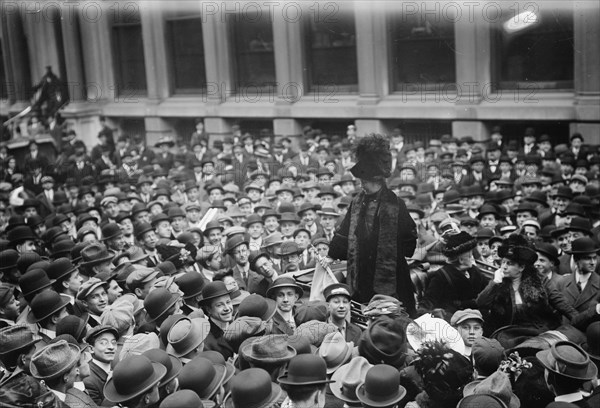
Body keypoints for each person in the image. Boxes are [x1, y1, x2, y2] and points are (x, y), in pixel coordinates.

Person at [329, 134, 417, 316]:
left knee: (392, 312)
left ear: (377, 180)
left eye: (365, 182)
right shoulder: (356, 201)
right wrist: (331, 255)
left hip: (390, 273)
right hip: (360, 270)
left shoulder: (395, 203)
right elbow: (345, 231)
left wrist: (396, 251)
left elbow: (409, 238)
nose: (362, 185)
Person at [477, 234, 579, 336]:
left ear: (521, 267)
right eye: (503, 262)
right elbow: (481, 303)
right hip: (507, 334)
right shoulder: (497, 283)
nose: (504, 267)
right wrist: (495, 283)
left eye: (509, 263)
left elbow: (562, 304)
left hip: (539, 333)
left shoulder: (540, 282)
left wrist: (580, 322)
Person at [420, 231, 488, 317]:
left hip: (478, 317)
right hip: (454, 320)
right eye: (470, 255)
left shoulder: (474, 271)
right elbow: (427, 303)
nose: (472, 258)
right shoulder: (441, 276)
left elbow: (487, 290)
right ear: (460, 259)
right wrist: (435, 313)